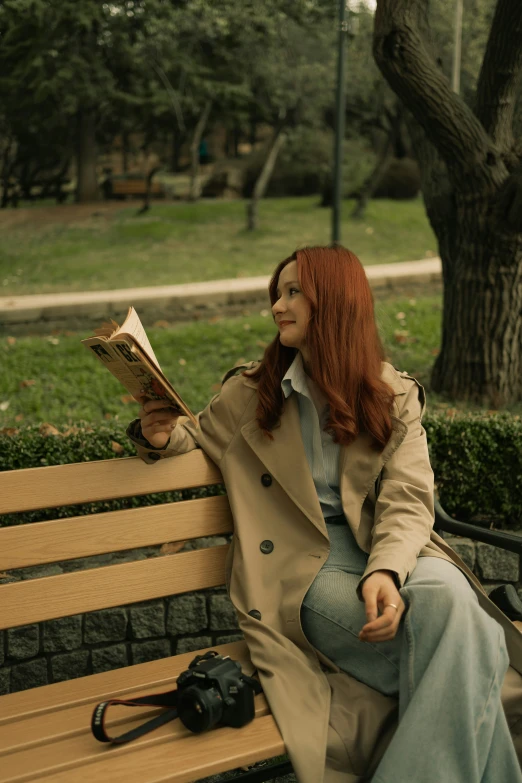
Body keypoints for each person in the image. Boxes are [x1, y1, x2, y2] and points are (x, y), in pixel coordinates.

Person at [128, 246, 522, 783]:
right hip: (304, 568)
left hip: (385, 548)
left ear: (333, 304)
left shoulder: (391, 394)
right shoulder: (251, 393)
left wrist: (385, 570)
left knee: (450, 599)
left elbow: (408, 498)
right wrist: (159, 435)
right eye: (278, 293)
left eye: (293, 293)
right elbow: (195, 437)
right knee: (477, 651)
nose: (277, 306)